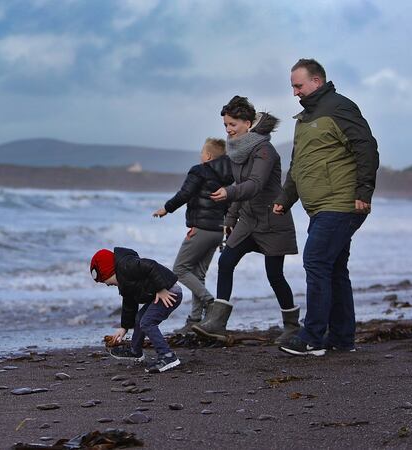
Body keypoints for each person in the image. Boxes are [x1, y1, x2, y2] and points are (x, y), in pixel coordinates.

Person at [275, 59, 379, 357]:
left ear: (317, 82)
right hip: (320, 207)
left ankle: (312, 337)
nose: (294, 92)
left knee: (316, 261)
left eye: (298, 85)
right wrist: (285, 200)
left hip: (342, 203)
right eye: (292, 86)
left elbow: (366, 148)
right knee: (333, 269)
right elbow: (299, 166)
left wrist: (364, 190)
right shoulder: (304, 119)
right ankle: (342, 338)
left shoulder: (339, 107)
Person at [192, 96, 300, 344]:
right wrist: (230, 218)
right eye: (226, 126)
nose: (229, 130)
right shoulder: (237, 150)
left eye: (233, 125)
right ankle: (217, 323)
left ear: (248, 123)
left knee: (275, 275)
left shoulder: (264, 150)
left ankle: (292, 326)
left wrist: (228, 193)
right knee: (226, 261)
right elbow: (242, 185)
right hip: (248, 221)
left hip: (273, 221)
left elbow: (254, 185)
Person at [152, 138, 234, 333]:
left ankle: (211, 304)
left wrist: (166, 208)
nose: (200, 156)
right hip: (217, 231)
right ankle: (195, 320)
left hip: (201, 229)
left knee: (179, 269)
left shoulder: (199, 170)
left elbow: (184, 193)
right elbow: (230, 203)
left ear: (208, 156)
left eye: (201, 153)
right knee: (198, 275)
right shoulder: (227, 177)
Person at [91, 248, 182, 373]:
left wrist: (161, 288)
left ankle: (167, 356)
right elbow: (129, 303)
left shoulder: (127, 265)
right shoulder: (124, 280)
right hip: (160, 294)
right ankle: (136, 351)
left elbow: (151, 265)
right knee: (140, 318)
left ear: (109, 271)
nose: (106, 284)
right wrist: (124, 327)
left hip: (169, 293)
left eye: (104, 280)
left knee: (147, 322)